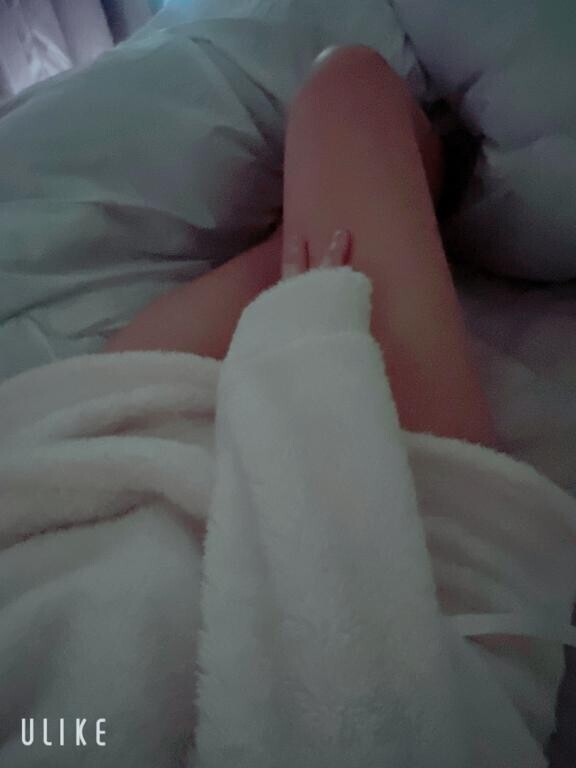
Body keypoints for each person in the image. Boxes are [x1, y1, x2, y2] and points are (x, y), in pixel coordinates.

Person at [105, 44, 496, 447]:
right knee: (347, 81)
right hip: (371, 472)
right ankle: (393, 196)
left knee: (343, 89)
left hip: (85, 433)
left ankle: (360, 206)